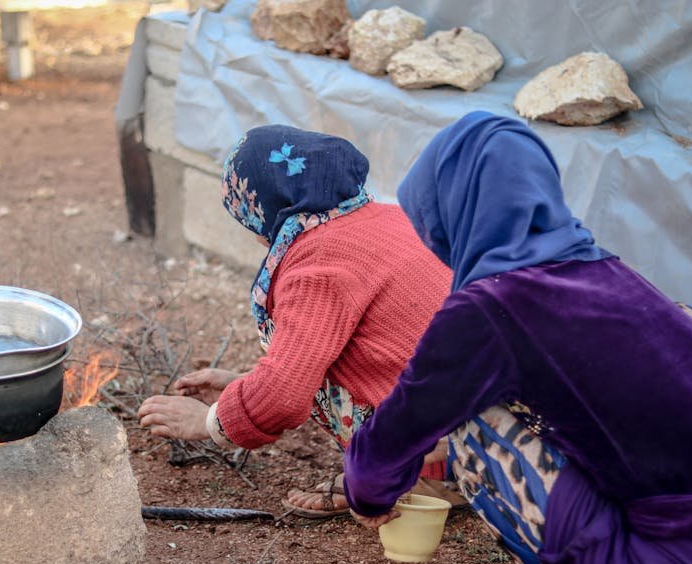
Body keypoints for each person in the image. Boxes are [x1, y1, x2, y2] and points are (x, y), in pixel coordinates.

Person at [343, 111, 692, 564]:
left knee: (474, 423)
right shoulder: (608, 272)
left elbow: (385, 448)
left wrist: (366, 495)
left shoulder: (491, 307)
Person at [138, 124, 455, 517]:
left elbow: (284, 395)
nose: (257, 236)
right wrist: (244, 385)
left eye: (250, 217)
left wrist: (207, 422)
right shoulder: (387, 217)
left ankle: (418, 477)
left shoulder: (318, 265)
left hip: (450, 441)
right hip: (492, 417)